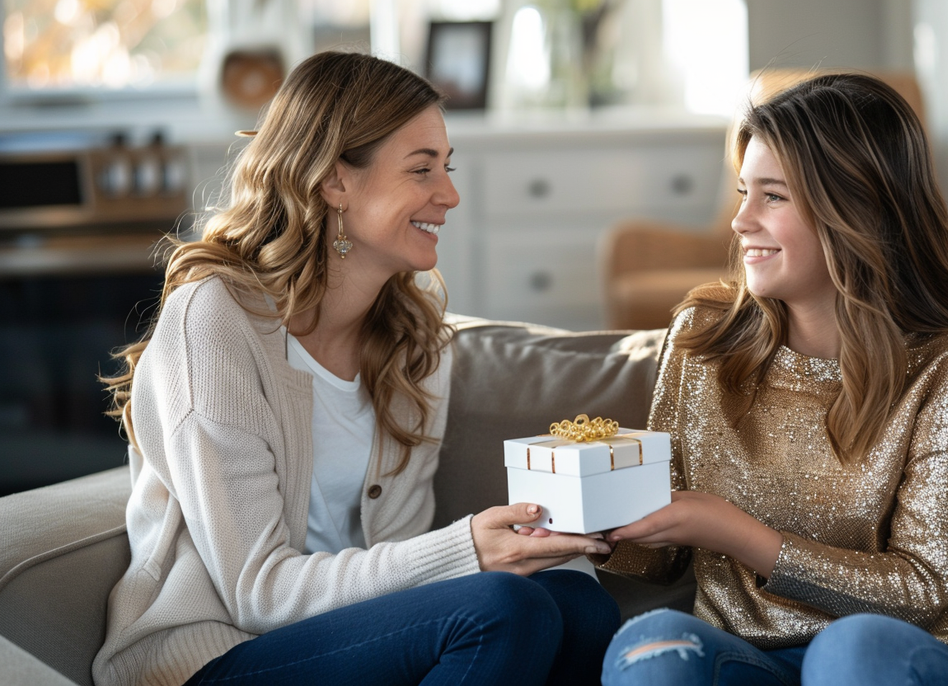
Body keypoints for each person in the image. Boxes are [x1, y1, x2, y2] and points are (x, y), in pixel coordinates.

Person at [94, 51, 618, 686]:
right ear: (335, 180)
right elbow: (257, 594)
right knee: (501, 609)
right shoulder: (214, 321)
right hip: (217, 656)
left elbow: (394, 560)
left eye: (445, 168)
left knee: (578, 601)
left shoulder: (414, 340)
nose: (449, 195)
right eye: (422, 169)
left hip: (351, 641)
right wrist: (468, 553)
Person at [587, 73, 948, 685]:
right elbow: (663, 560)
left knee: (852, 651)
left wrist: (735, 532)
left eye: (773, 196)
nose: (739, 221)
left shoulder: (946, 368)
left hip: (889, 660)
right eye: (742, 192)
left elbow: (923, 590)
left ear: (856, 211)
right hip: (746, 662)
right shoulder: (702, 336)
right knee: (652, 643)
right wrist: (595, 522)